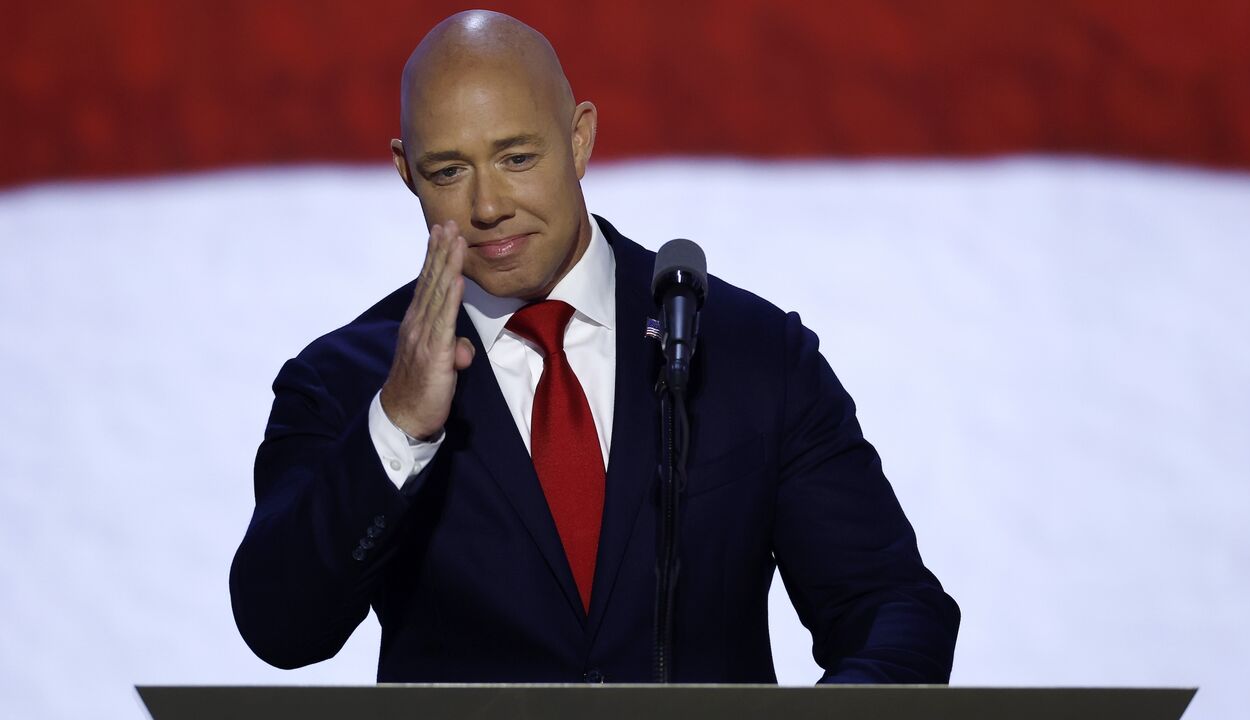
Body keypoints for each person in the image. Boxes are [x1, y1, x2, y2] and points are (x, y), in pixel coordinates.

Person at [230, 9, 959, 684]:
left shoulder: (752, 353)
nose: (487, 207)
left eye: (517, 158)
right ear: (404, 171)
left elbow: (890, 610)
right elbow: (282, 628)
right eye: (448, 171)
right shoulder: (342, 383)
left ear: (579, 139)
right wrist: (398, 428)